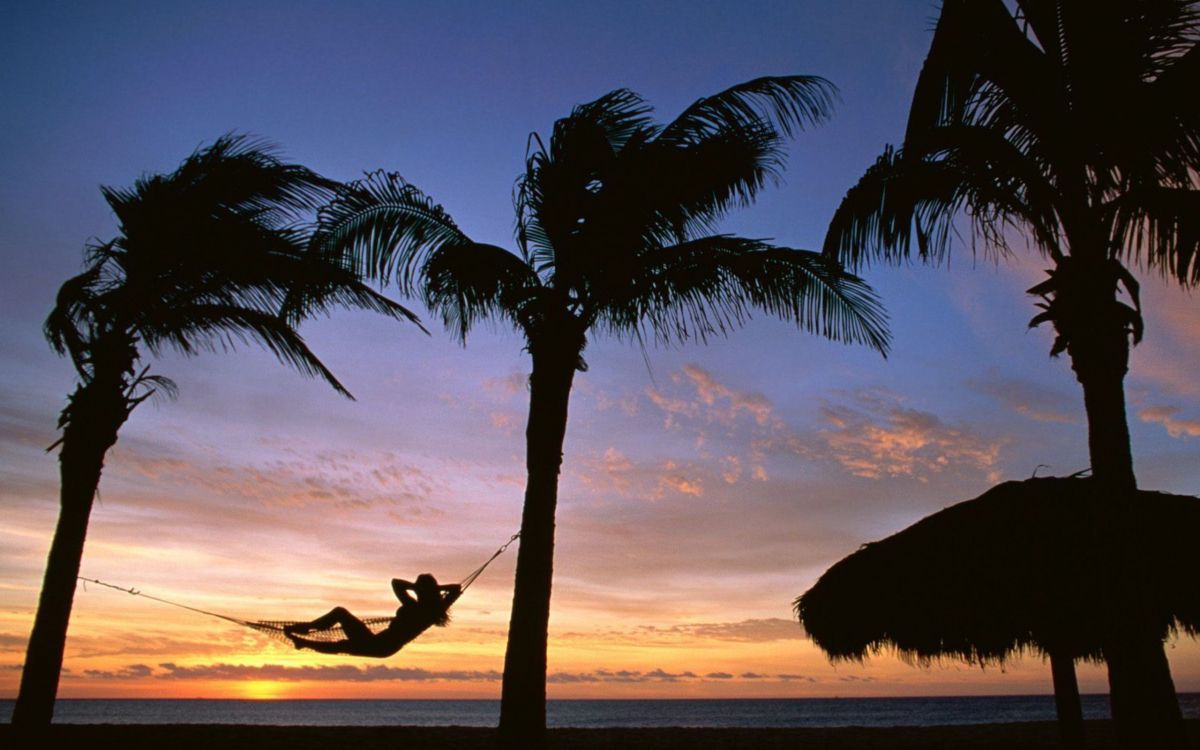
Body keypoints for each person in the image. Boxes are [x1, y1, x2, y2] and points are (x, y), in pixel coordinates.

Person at [283, 574, 461, 658]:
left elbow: (396, 584)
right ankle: (304, 639)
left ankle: (305, 634)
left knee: (341, 621)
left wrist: (423, 588)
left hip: (381, 646)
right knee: (343, 641)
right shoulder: (429, 608)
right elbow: (396, 583)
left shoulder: (422, 609)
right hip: (379, 643)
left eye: (420, 588)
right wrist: (424, 588)